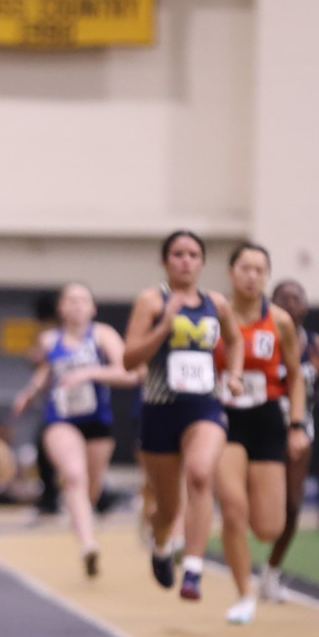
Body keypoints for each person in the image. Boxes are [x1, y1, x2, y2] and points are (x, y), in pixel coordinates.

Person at [123, 230, 244, 600]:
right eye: (178, 254)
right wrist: (164, 325)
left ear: (202, 262)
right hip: (160, 409)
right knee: (167, 508)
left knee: (200, 475)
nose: (186, 261)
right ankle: (161, 545)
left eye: (193, 254)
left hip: (204, 406)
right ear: (165, 261)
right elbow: (129, 359)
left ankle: (192, 569)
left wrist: (235, 375)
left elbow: (235, 339)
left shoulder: (216, 303)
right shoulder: (151, 300)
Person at [12, 281, 139, 575]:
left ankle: (83, 520)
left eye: (83, 300)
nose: (77, 306)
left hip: (97, 421)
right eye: (70, 300)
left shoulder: (103, 335)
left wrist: (89, 373)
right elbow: (47, 371)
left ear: (93, 308)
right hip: (61, 419)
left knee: (91, 487)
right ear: (61, 308)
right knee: (73, 476)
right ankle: (88, 545)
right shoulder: (49, 340)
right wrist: (29, 393)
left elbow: (129, 373)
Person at [213, 245, 307, 624]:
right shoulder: (213, 315)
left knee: (269, 527)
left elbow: (296, 377)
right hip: (223, 417)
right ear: (231, 272)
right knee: (233, 509)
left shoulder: (279, 321)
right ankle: (244, 594)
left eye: (259, 270)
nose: (252, 276)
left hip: (266, 416)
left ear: (266, 275)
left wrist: (296, 425)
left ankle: (250, 499)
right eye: (245, 268)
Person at [260, 278, 319, 600]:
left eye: (297, 297)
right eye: (284, 297)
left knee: (292, 507)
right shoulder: (263, 338)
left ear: (306, 306)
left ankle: (271, 573)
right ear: (272, 304)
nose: (291, 303)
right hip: (262, 425)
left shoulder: (316, 345)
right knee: (259, 508)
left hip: (300, 429)